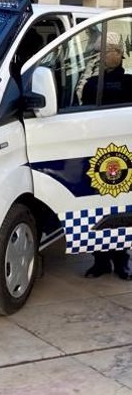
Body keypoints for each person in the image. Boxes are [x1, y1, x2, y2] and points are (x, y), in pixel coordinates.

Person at [81, 31, 132, 281]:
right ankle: (100, 261)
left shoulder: (129, 82)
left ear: (121, 55)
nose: (108, 55)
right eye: (104, 51)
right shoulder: (91, 83)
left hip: (124, 154)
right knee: (97, 209)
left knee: (121, 210)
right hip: (97, 153)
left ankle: (122, 260)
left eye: (112, 50)